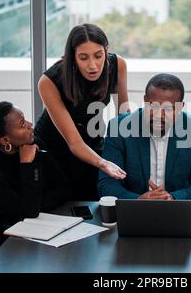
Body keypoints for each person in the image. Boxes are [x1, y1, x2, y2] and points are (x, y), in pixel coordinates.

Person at [0, 102, 71, 273]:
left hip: (26, 237)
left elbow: (64, 189)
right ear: (5, 140)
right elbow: (28, 211)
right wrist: (26, 165)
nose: (31, 125)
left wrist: (34, 204)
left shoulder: (33, 145)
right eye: (23, 125)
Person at [35, 23, 128, 201]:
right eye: (83, 57)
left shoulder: (117, 65)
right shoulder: (49, 81)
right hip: (55, 147)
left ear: (106, 50)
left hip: (92, 138)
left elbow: (123, 114)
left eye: (98, 56)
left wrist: (128, 149)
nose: (92, 65)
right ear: (73, 57)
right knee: (65, 203)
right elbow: (74, 142)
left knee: (96, 198)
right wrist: (103, 163)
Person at [98, 73, 191, 207]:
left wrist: (172, 198)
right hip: (133, 213)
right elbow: (106, 184)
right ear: (145, 101)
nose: (159, 115)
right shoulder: (118, 128)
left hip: (178, 212)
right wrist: (137, 200)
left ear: (181, 107)